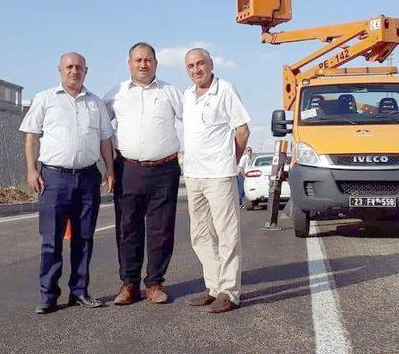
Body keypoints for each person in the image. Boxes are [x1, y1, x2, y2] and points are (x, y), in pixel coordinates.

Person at [20, 52, 115, 315]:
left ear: (87, 71)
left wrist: (110, 170)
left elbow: (106, 140)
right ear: (60, 70)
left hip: (87, 178)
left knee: (84, 238)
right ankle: (48, 295)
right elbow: (32, 138)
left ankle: (79, 292)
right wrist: (31, 170)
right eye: (69, 67)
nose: (74, 71)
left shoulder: (96, 104)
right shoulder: (45, 99)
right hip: (54, 178)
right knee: (51, 239)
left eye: (79, 67)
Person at [104, 42, 183, 305]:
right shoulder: (115, 94)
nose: (143, 64)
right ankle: (129, 284)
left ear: (156, 64)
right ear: (129, 64)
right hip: (128, 169)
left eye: (148, 60)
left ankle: (155, 283)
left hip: (165, 170)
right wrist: (106, 166)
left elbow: (192, 121)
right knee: (128, 228)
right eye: (138, 60)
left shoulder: (170, 92)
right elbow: (99, 126)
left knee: (161, 229)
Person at [182, 48, 250, 314]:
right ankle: (213, 287)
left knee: (226, 234)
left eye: (200, 64)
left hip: (219, 174)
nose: (196, 69)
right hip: (194, 174)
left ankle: (229, 292)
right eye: (191, 66)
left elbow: (242, 131)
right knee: (200, 235)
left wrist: (229, 161)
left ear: (211, 64)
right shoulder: (187, 95)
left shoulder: (225, 89)